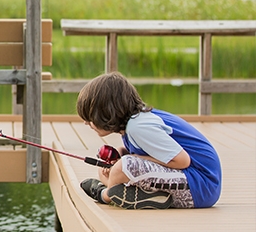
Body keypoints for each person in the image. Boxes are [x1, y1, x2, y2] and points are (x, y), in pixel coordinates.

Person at [78, 72, 221, 209]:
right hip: (194, 183)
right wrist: (123, 153)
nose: (86, 123)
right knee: (106, 169)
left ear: (107, 111)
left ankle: (105, 194)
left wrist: (131, 158)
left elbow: (182, 160)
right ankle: (148, 196)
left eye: (90, 117)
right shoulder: (133, 124)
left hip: (201, 186)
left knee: (121, 168)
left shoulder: (138, 127)